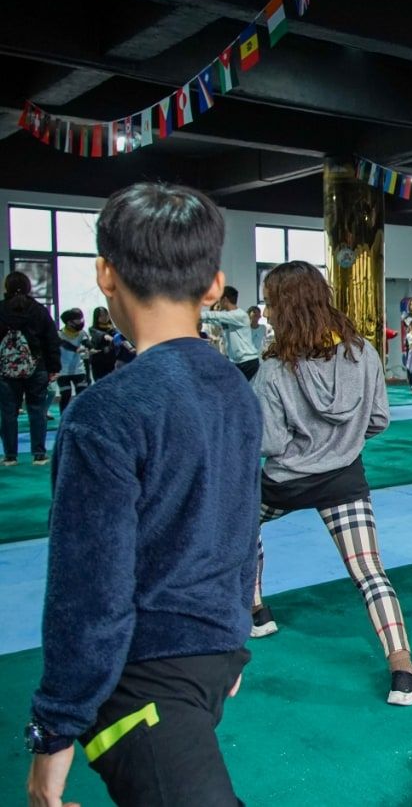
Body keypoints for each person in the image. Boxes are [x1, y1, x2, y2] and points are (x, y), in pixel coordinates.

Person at [24, 182, 259, 805]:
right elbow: (244, 530)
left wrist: (53, 731)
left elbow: (87, 587)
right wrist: (230, 635)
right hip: (205, 659)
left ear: (106, 274)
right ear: (214, 286)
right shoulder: (236, 391)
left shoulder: (105, 411)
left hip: (146, 674)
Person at [251, 261, 412, 706]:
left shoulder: (273, 369)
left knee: (238, 526)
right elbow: (379, 419)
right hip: (342, 479)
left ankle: (256, 611)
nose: (266, 312)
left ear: (285, 306)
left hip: (283, 482)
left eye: (270, 303)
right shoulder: (363, 353)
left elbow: (271, 443)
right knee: (370, 573)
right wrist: (341, 445)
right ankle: (403, 671)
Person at [0, 271, 58, 466]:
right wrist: (53, 366)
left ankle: (10, 456)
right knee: (37, 411)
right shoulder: (39, 310)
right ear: (28, 287)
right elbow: (51, 340)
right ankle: (39, 455)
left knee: (8, 413)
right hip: (37, 366)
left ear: (7, 287)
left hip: (6, 369)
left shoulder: (1, 309)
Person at [201, 285, 260, 380]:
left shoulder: (240, 315)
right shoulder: (228, 318)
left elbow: (215, 316)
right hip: (237, 362)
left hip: (248, 362)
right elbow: (213, 320)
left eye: (219, 300)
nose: (218, 303)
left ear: (225, 299)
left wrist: (195, 315)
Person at [55, 308, 91, 414]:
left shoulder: (82, 333)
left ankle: (80, 416)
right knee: (66, 394)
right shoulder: (59, 334)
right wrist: (76, 349)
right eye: (77, 319)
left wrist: (91, 347)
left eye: (81, 318)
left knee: (82, 393)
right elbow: (64, 344)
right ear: (69, 322)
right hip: (63, 371)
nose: (80, 321)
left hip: (78, 369)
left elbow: (86, 342)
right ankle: (64, 417)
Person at [86, 307, 118, 383]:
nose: (104, 317)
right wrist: (105, 336)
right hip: (98, 362)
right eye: (101, 316)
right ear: (96, 317)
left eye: (106, 315)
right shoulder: (92, 329)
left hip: (111, 361)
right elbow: (98, 334)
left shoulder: (113, 329)